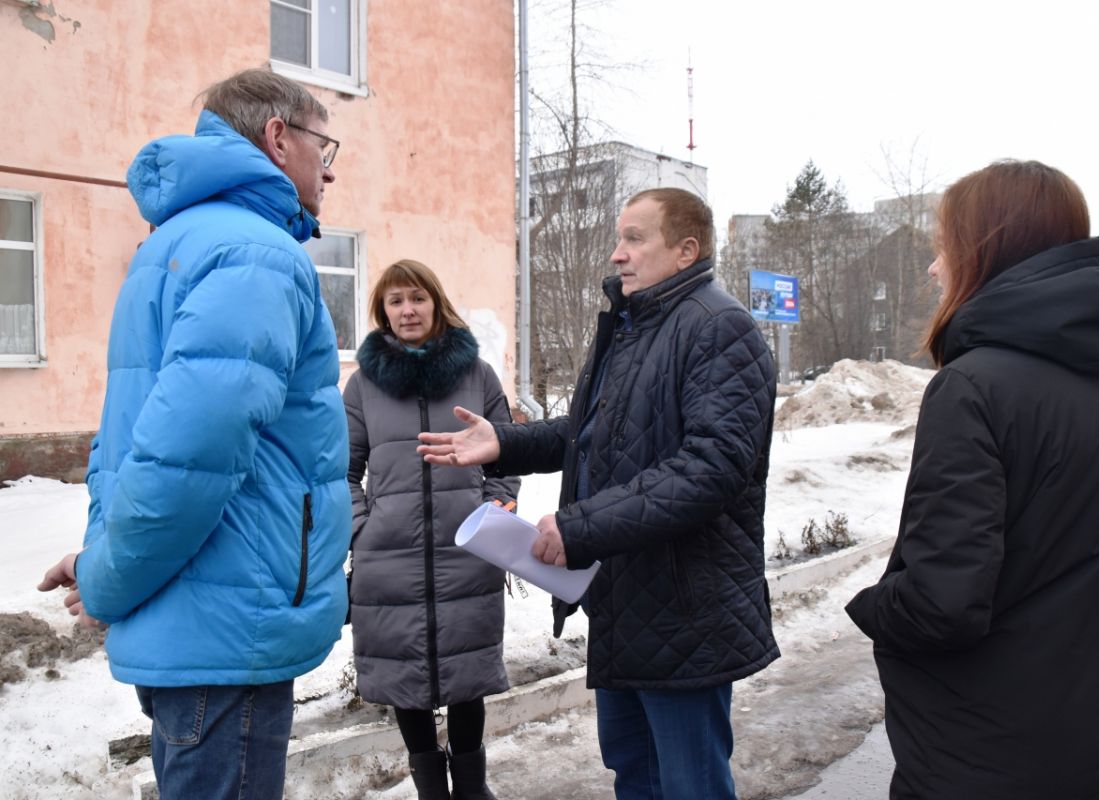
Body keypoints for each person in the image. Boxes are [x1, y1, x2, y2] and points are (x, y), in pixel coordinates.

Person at [37, 68, 350, 800]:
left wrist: (102, 558)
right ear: (278, 138)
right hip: (227, 629)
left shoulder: (177, 243)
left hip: (201, 613)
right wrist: (108, 578)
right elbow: (189, 453)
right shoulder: (255, 254)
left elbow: (137, 438)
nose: (329, 168)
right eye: (321, 145)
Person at [418, 188, 779, 799]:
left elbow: (710, 470)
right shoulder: (632, 326)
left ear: (686, 250)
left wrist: (581, 526)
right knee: (635, 778)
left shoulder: (720, 329)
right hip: (625, 600)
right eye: (618, 238)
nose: (616, 255)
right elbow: (590, 431)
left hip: (686, 610)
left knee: (690, 787)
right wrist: (502, 442)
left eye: (635, 239)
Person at [844, 160, 1099, 799]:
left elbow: (942, 602)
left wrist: (873, 607)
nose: (934, 269)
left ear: (985, 251)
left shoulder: (973, 386)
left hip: (987, 752)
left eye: (944, 249)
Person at [343, 259, 519, 800]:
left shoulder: (477, 375)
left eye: (416, 297)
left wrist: (495, 510)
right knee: (404, 678)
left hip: (468, 548)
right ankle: (430, 789)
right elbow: (340, 471)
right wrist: (361, 529)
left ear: (435, 303)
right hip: (387, 556)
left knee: (468, 675)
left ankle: (471, 786)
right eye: (395, 301)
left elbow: (507, 455)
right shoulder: (362, 385)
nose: (407, 310)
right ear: (383, 313)